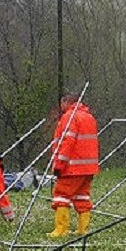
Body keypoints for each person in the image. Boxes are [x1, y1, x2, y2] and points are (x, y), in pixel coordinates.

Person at [49, 96, 99, 238]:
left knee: (61, 195)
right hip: (89, 167)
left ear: (65, 102)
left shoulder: (69, 117)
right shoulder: (89, 117)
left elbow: (67, 142)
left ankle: (61, 230)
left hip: (72, 167)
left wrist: (59, 164)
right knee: (82, 196)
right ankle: (83, 229)